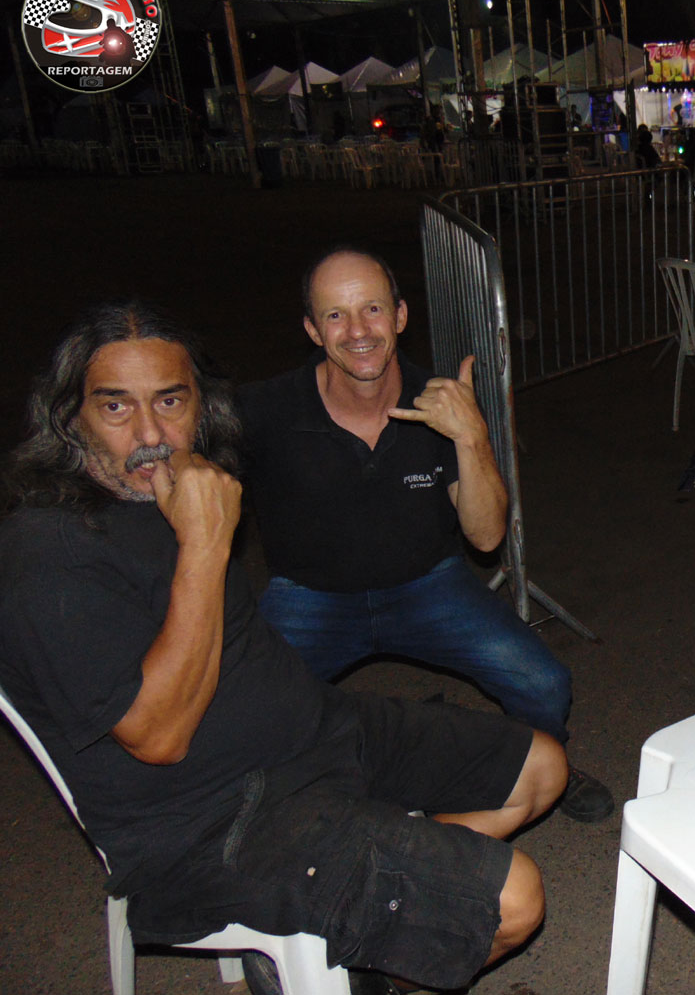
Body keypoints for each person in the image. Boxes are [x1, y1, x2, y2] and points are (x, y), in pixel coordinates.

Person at [0, 302, 567, 992]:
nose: (150, 434)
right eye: (115, 406)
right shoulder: (50, 552)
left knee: (541, 767)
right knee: (513, 899)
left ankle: (367, 944)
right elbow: (157, 737)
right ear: (70, 417)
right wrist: (205, 544)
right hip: (213, 820)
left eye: (170, 402)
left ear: (201, 406)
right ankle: (365, 944)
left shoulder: (171, 487)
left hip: (313, 733)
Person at [237, 249, 613, 823]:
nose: (358, 331)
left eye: (372, 309)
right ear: (312, 329)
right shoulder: (264, 410)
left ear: (401, 315)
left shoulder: (439, 401)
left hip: (427, 587)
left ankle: (544, 763)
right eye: (336, 315)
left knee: (543, 682)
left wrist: (471, 436)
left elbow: (486, 537)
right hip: (309, 596)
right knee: (240, 715)